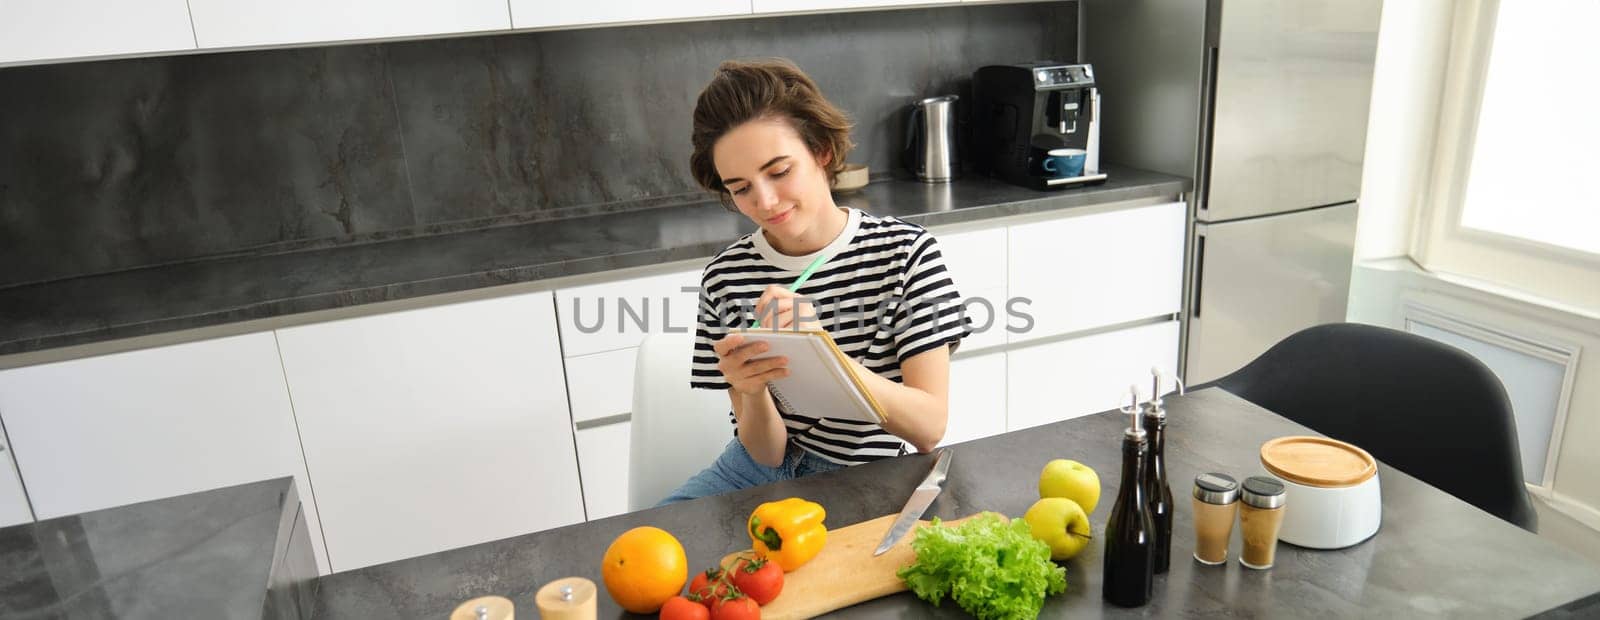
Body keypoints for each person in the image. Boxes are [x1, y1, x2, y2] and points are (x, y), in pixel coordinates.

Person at [660, 58, 969, 504]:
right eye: (740, 187)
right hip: (750, 471)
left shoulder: (905, 254)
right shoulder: (726, 276)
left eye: (780, 171)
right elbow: (764, 453)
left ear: (822, 151)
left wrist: (824, 355)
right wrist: (753, 390)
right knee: (641, 558)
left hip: (867, 475)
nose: (765, 201)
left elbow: (928, 427)